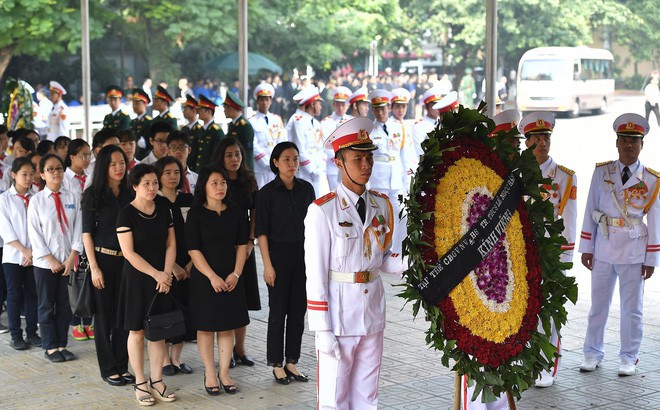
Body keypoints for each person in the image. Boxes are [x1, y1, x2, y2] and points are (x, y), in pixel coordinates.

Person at [305, 117, 406, 409]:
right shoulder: (322, 211)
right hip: (338, 315)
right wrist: (321, 328)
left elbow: (384, 260)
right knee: (334, 396)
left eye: (369, 157)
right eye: (357, 158)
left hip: (372, 312)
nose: (366, 165)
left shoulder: (382, 205)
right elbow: (315, 274)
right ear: (338, 163)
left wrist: (414, 263)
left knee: (367, 394)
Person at [579, 113, 659, 377]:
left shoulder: (651, 179)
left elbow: (656, 220)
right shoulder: (603, 172)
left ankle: (629, 356)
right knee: (598, 305)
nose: (628, 146)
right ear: (616, 142)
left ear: (641, 145)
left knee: (631, 309)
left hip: (634, 250)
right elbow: (591, 208)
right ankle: (592, 353)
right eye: (624, 140)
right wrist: (586, 247)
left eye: (633, 142)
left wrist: (651, 259)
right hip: (603, 246)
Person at [518, 112, 577, 387]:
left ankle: (546, 365)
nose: (542, 143)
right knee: (522, 308)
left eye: (546, 138)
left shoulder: (564, 178)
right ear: (527, 141)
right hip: (521, 254)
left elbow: (569, 220)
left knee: (548, 312)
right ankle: (524, 361)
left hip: (551, 255)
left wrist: (565, 258)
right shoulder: (515, 173)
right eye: (536, 138)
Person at [116, 163, 177, 405]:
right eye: (146, 184)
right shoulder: (126, 213)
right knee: (137, 331)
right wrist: (157, 274)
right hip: (138, 278)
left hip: (162, 276)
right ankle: (140, 382)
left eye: (154, 183)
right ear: (134, 186)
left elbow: (171, 244)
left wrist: (166, 273)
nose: (152, 188)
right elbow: (129, 253)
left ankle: (157, 380)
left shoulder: (163, 207)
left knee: (158, 331)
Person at [186, 166, 249, 395]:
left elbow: (242, 245)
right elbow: (193, 250)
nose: (220, 187)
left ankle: (224, 372)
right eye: (214, 183)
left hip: (232, 275)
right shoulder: (196, 214)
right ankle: (209, 372)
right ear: (203, 186)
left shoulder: (235, 211)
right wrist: (212, 276)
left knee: (227, 325)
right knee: (206, 326)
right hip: (205, 277)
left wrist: (236, 274)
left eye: (223, 182)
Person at [256, 141, 315, 385]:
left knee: (298, 311)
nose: (292, 163)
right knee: (278, 312)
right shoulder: (266, 193)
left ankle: (292, 361)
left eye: (295, 158)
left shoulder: (307, 189)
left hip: (303, 258)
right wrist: (267, 266)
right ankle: (276, 364)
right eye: (287, 159)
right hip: (278, 258)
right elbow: (261, 233)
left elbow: (315, 227)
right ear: (275, 163)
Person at [81, 145, 133, 386]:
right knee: (103, 318)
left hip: (128, 261)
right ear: (104, 166)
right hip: (103, 260)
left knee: (124, 315)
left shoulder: (131, 192)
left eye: (122, 162)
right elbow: (87, 235)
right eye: (113, 164)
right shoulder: (92, 195)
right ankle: (108, 368)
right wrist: (94, 267)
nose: (119, 168)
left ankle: (122, 365)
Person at [27, 154, 83, 363]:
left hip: (68, 262)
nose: (56, 172)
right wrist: (50, 259)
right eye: (50, 169)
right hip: (45, 264)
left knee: (65, 304)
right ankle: (50, 346)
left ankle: (62, 344)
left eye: (59, 168)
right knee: (46, 305)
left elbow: (79, 228)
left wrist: (72, 257)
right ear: (42, 174)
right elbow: (34, 233)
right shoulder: (37, 201)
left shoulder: (72, 197)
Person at [211, 137, 260, 368]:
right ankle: (225, 352)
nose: (234, 159)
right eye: (229, 155)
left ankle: (240, 350)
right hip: (222, 249)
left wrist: (251, 241)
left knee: (243, 300)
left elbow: (254, 214)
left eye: (238, 154)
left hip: (245, 249)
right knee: (224, 301)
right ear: (221, 157)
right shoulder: (216, 182)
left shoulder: (248, 181)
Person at [154, 156, 195, 377]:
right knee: (163, 313)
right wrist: (174, 267)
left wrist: (189, 264)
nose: (173, 176)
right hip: (164, 268)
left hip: (190, 265)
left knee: (183, 313)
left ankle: (176, 359)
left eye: (177, 172)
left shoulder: (189, 199)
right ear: (159, 176)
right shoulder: (155, 202)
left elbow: (197, 234)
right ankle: (162, 362)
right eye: (167, 172)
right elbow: (155, 241)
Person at [0, 158, 41, 350]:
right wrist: (24, 250)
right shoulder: (4, 199)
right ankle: (16, 335)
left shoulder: (37, 197)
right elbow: (5, 229)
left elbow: (40, 227)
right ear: (14, 175)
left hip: (35, 255)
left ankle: (32, 332)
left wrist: (32, 251)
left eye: (31, 174)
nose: (28, 178)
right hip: (13, 256)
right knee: (14, 295)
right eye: (24, 174)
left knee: (33, 294)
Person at [286, 86, 326, 196]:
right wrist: (312, 170)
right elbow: (299, 150)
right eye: (319, 103)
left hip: (319, 171)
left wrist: (321, 167)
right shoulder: (297, 121)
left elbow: (321, 148)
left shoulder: (316, 123)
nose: (321, 107)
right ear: (313, 104)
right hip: (305, 172)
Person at [250, 83, 288, 188]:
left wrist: (277, 161)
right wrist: (267, 163)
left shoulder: (277, 119)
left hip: (276, 166)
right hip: (260, 168)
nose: (264, 102)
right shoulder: (252, 121)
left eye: (267, 99)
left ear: (271, 101)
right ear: (257, 101)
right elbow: (254, 145)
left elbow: (281, 142)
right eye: (262, 99)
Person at [321, 86, 353, 192]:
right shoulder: (326, 122)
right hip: (333, 167)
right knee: (335, 196)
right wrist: (338, 159)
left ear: (348, 106)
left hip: (350, 167)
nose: (340, 108)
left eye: (343, 105)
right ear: (334, 104)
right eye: (338, 104)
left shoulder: (353, 121)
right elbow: (325, 145)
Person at [189, 95, 224, 173]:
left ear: (209, 112)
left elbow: (217, 155)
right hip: (198, 170)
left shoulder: (216, 131)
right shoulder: (200, 130)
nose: (198, 113)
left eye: (201, 110)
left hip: (210, 171)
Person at [224, 91, 255, 171]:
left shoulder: (245, 126)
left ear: (231, 109)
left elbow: (246, 152)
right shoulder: (232, 124)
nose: (224, 111)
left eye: (225, 108)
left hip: (243, 168)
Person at [412, 86, 443, 160]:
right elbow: (420, 152)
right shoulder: (419, 127)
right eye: (434, 105)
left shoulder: (443, 124)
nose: (438, 108)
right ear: (427, 107)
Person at [130, 88, 153, 160]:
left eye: (137, 103)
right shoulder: (132, 122)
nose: (134, 106)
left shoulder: (149, 122)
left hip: (145, 156)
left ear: (145, 104)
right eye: (133, 103)